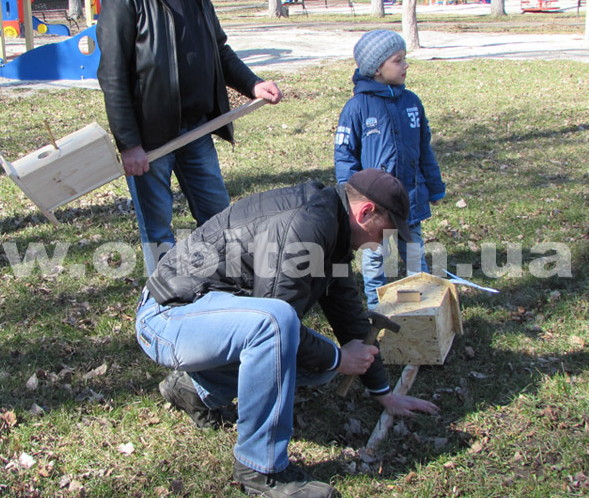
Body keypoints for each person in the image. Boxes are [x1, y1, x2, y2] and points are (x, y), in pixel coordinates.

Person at [136, 168, 440, 497]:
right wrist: (339, 358)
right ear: (365, 212)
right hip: (167, 315)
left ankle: (195, 388)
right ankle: (260, 469)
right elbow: (277, 321)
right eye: (385, 232)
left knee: (318, 364)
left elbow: (348, 314)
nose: (382, 243)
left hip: (201, 316)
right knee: (279, 326)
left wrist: (383, 392)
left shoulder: (334, 228)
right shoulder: (306, 226)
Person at [97, 0, 282, 275]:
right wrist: (129, 144)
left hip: (197, 131)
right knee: (158, 231)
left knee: (219, 218)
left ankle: (224, 284)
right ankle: (164, 297)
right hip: (151, 142)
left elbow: (219, 52)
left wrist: (253, 84)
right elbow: (113, 76)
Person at [334, 30, 446, 307]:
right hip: (374, 207)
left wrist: (434, 187)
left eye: (404, 59)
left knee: (414, 252)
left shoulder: (412, 103)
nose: (406, 65)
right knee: (375, 256)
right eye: (398, 60)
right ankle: (376, 306)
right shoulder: (357, 108)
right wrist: (351, 201)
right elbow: (345, 157)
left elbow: (424, 149)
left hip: (410, 199)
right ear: (376, 68)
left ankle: (420, 306)